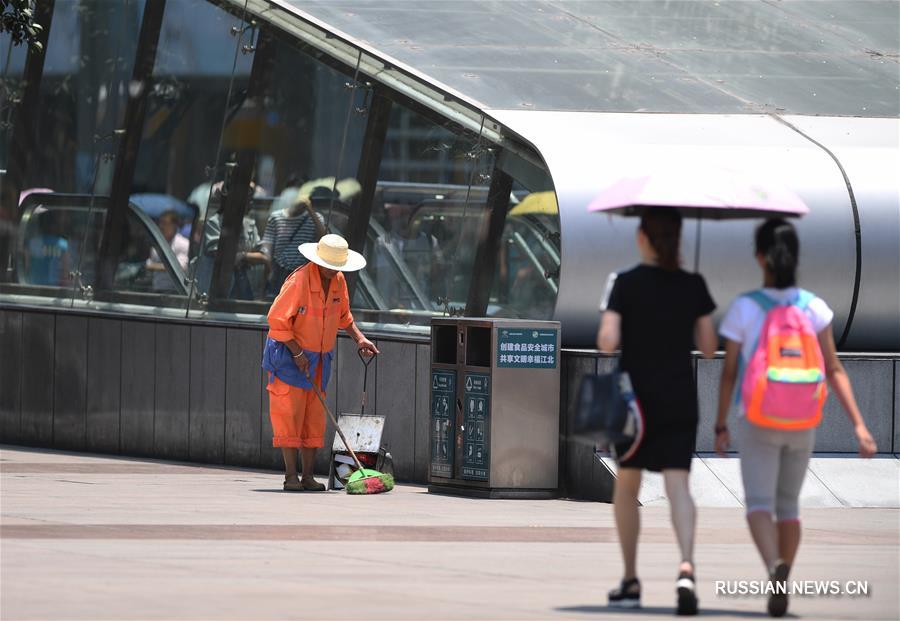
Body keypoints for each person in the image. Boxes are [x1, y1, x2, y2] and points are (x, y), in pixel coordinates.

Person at [714, 219, 877, 617]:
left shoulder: (745, 308)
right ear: (796, 258)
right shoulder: (814, 308)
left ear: (759, 257)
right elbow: (834, 368)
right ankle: (782, 580)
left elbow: (731, 373)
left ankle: (773, 567)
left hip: (758, 418)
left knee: (757, 504)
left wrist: (720, 425)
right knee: (788, 506)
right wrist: (859, 424)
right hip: (803, 420)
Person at [597, 207, 717, 615]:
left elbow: (608, 342)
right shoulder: (693, 283)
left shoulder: (624, 283)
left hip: (635, 406)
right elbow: (707, 346)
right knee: (678, 486)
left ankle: (631, 579)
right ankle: (686, 566)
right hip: (680, 399)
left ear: (643, 238)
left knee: (627, 487)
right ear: (679, 239)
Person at [262, 234, 379, 491]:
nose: (334, 270)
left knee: (314, 418)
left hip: (320, 359)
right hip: (288, 356)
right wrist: (297, 353)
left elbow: (344, 316)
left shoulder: (338, 281)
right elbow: (276, 321)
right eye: (330, 265)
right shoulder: (299, 281)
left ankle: (307, 477)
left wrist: (360, 339)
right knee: (289, 415)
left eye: (338, 266)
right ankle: (291, 477)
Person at [261, 194, 326, 297]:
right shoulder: (276, 217)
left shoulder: (315, 218)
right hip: (280, 272)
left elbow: (324, 240)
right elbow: (267, 249)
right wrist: (267, 277)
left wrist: (310, 209)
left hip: (303, 273)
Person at [146, 210, 190, 292]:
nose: (161, 226)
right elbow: (150, 265)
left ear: (174, 226)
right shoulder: (156, 244)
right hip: (156, 290)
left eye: (165, 223)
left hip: (175, 292)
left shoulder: (183, 243)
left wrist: (153, 266)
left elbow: (180, 268)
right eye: (160, 223)